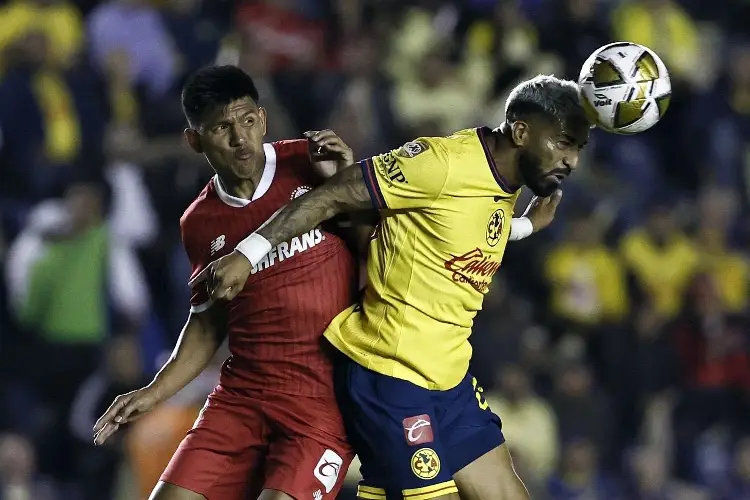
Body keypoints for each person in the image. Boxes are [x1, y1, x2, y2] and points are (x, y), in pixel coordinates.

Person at [194, 74, 590, 500]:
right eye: (564, 143)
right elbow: (328, 197)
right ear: (521, 131)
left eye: (578, 149)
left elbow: (465, 226)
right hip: (391, 379)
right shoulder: (441, 163)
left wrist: (526, 225)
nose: (572, 161)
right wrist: (246, 255)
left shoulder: (504, 180)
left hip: (448, 380)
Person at [92, 65, 359, 500]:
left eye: (248, 121)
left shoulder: (310, 165)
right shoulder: (198, 223)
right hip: (242, 397)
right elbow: (207, 323)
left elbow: (378, 250)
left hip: (319, 400)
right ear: (194, 140)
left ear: (263, 119)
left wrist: (349, 184)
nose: (240, 139)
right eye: (222, 128)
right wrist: (154, 391)